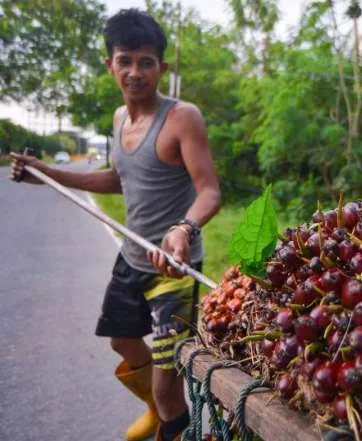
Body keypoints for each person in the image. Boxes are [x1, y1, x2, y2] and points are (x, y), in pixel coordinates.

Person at [10, 9, 221, 441]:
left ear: (162, 68)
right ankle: (155, 407)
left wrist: (184, 229)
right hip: (131, 259)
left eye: (146, 62)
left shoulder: (183, 118)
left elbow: (210, 193)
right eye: (124, 60)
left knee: (167, 385)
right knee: (121, 342)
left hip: (172, 272)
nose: (134, 72)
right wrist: (47, 174)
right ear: (110, 65)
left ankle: (169, 423)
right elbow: (117, 178)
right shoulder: (118, 118)